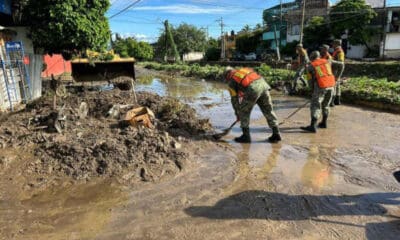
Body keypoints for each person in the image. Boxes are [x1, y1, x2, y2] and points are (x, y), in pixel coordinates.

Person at [224, 66, 281, 143]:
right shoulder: (243, 71)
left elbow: (234, 100)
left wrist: (238, 113)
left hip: (253, 88)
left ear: (227, 75)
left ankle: (246, 136)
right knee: (268, 110)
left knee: (243, 112)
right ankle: (276, 134)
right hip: (264, 85)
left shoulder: (232, 80)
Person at [301, 51, 344, 133]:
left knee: (315, 105)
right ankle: (324, 123)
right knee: (326, 104)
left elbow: (310, 81)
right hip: (331, 85)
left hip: (321, 86)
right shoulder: (327, 61)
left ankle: (312, 126)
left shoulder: (311, 66)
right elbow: (342, 64)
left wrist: (312, 90)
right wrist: (337, 77)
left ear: (311, 58)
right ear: (319, 56)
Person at [331, 39, 345, 106]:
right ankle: (337, 101)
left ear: (336, 44)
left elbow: (341, 62)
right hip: (335, 70)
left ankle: (333, 102)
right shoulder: (336, 51)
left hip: (336, 70)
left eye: (333, 44)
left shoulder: (340, 51)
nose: (332, 45)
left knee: (334, 85)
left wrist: (331, 61)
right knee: (337, 85)